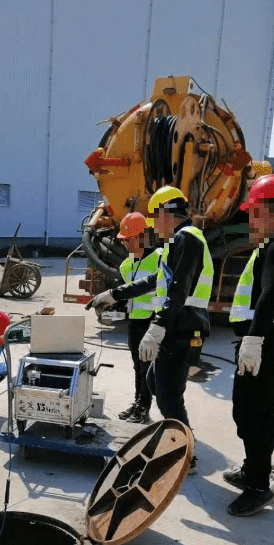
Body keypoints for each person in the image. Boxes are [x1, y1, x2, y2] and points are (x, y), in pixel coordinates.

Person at [224, 174, 274, 517]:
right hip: (269, 342)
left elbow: (270, 295)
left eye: (255, 211)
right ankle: (252, 471)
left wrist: (254, 340)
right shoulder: (273, 246)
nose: (250, 219)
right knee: (248, 413)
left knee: (255, 416)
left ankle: (258, 486)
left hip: (271, 345)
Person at [138, 186, 214, 471]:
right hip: (175, 326)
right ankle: (177, 435)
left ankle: (185, 456)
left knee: (170, 395)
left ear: (166, 214)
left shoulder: (188, 239)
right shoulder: (176, 243)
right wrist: (115, 295)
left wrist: (156, 328)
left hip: (182, 328)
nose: (154, 227)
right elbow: (154, 281)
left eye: (155, 220)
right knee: (155, 382)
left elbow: (179, 291)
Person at [87, 212, 161, 424]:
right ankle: (138, 403)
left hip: (154, 322)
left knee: (147, 368)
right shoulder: (126, 266)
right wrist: (108, 304)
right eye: (125, 240)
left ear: (143, 236)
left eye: (131, 239)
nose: (127, 244)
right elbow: (125, 294)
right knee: (137, 367)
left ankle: (144, 408)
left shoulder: (159, 258)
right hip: (136, 322)